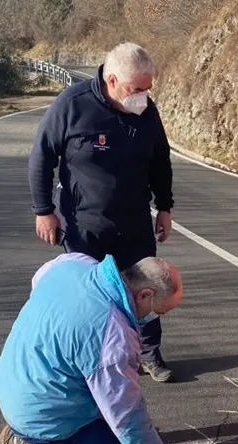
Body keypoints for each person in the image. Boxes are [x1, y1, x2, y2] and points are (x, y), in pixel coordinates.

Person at [28, 42, 176, 382]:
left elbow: (160, 163)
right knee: (88, 297)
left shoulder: (146, 112)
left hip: (135, 221)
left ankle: (149, 354)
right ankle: (90, 360)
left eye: (147, 89)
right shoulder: (72, 105)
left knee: (146, 288)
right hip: (86, 225)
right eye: (136, 89)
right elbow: (41, 157)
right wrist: (44, 210)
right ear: (112, 80)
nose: (142, 96)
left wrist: (165, 207)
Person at [0, 253, 185, 444]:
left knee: (119, 433)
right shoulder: (113, 336)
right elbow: (125, 411)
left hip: (16, 377)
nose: (154, 318)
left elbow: (38, 282)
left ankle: (46, 432)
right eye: (160, 312)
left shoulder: (73, 263)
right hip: (41, 411)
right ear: (145, 295)